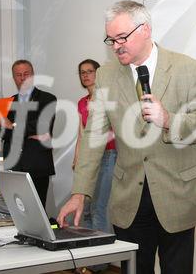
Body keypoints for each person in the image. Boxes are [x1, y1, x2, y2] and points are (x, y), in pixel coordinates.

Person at [57, 0, 196, 274]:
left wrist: (168, 120)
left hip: (177, 197)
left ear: (145, 30)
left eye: (122, 38)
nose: (116, 45)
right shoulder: (106, 75)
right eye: (111, 39)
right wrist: (80, 192)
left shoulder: (185, 68)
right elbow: (94, 136)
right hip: (129, 199)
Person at [74, 59, 117, 273]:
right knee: (87, 210)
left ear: (98, 74)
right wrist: (78, 159)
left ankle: (98, 263)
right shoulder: (82, 102)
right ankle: (87, 258)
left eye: (90, 71)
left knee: (99, 208)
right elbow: (82, 134)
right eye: (82, 72)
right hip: (89, 160)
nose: (86, 75)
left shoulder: (108, 98)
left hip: (109, 155)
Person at [1, 60, 57, 210]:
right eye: (18, 75)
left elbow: (41, 125)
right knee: (15, 212)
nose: (22, 78)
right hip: (13, 167)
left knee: (37, 211)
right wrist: (27, 131)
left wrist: (12, 125)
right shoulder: (7, 102)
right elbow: (2, 133)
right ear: (14, 78)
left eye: (26, 74)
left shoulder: (48, 98)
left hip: (37, 166)